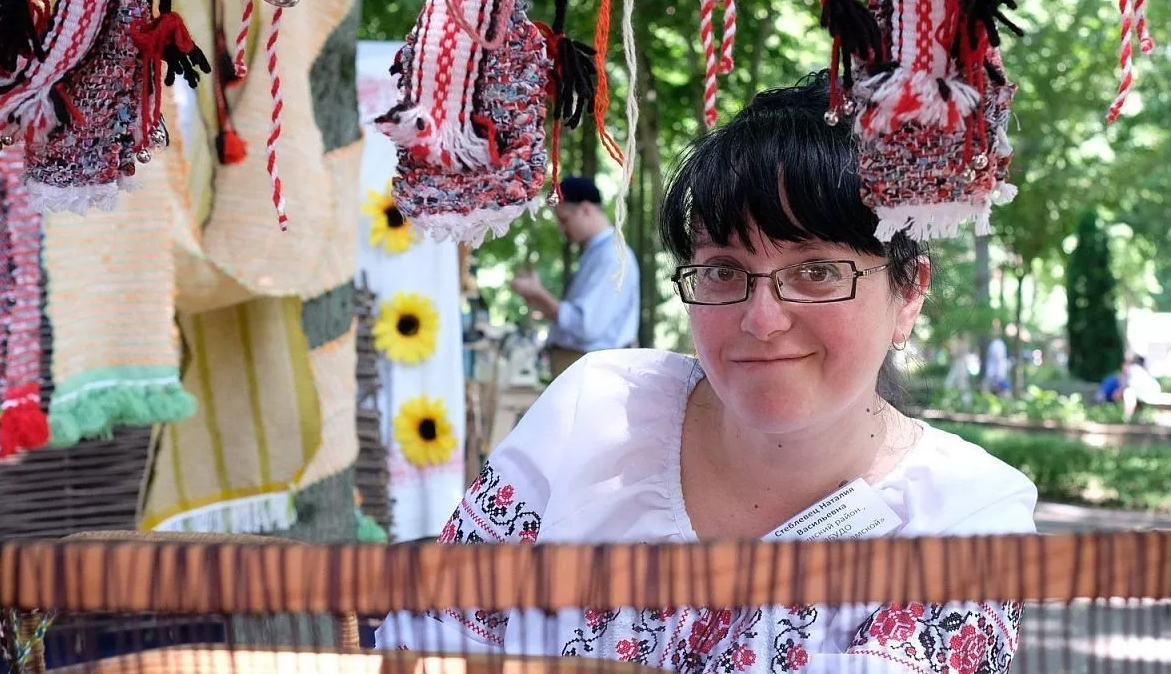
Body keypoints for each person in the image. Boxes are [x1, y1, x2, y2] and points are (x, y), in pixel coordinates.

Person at [376, 73, 1037, 671]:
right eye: (724, 270)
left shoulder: (963, 515)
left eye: (816, 271)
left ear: (908, 293)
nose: (762, 319)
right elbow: (423, 646)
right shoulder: (595, 414)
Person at [509, 175, 640, 376]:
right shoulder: (597, 253)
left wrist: (540, 294)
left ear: (586, 209)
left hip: (594, 372)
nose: (561, 229)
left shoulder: (612, 256)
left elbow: (586, 327)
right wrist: (536, 299)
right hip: (583, 367)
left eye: (564, 220)